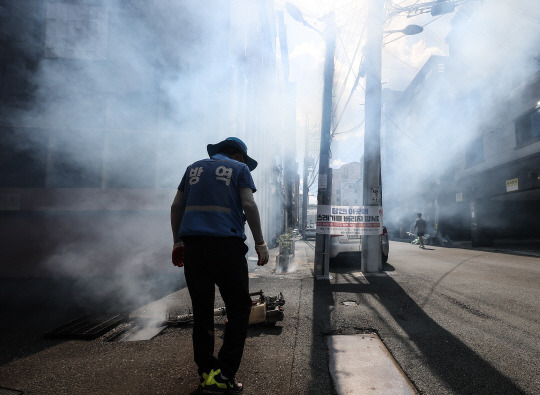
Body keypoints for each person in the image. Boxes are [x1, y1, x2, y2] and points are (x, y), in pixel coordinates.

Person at [170, 137, 269, 394]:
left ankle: (207, 374)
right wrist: (260, 243)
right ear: (238, 155)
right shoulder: (239, 169)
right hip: (227, 248)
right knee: (239, 308)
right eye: (244, 158)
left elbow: (176, 205)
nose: (245, 162)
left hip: (193, 248)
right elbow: (248, 203)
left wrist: (177, 243)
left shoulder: (193, 168)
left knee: (201, 312)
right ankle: (224, 374)